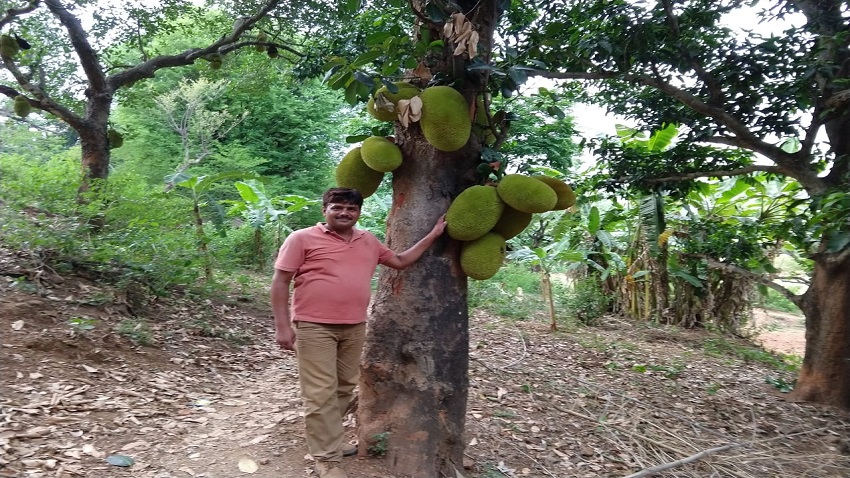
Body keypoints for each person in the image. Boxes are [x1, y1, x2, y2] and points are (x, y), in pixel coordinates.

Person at [270, 187, 446, 478]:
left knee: (343, 387)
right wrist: (282, 326)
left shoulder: (368, 241)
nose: (344, 213)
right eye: (337, 207)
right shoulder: (301, 238)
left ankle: (329, 439)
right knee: (319, 394)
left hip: (354, 326)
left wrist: (433, 236)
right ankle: (326, 458)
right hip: (314, 326)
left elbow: (400, 261)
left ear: (359, 213)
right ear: (324, 209)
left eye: (351, 209)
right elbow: (280, 282)